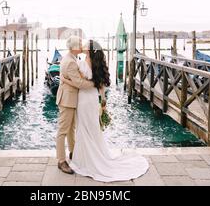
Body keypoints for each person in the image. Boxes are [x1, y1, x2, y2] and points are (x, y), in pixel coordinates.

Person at [60, 40, 149, 182]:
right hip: (93, 99)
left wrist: (65, 81)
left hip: (83, 100)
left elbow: (80, 84)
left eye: (85, 46)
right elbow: (101, 85)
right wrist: (103, 102)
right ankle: (89, 156)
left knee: (84, 129)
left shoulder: (82, 63)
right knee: (93, 129)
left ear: (89, 50)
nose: (82, 46)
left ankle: (85, 160)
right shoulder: (97, 65)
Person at [56, 36, 95, 175]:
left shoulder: (72, 58)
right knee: (63, 130)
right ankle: (61, 161)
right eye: (79, 44)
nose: (81, 45)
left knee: (71, 129)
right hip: (67, 99)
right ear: (74, 47)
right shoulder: (70, 62)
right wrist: (95, 85)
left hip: (71, 98)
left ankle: (73, 153)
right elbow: (79, 83)